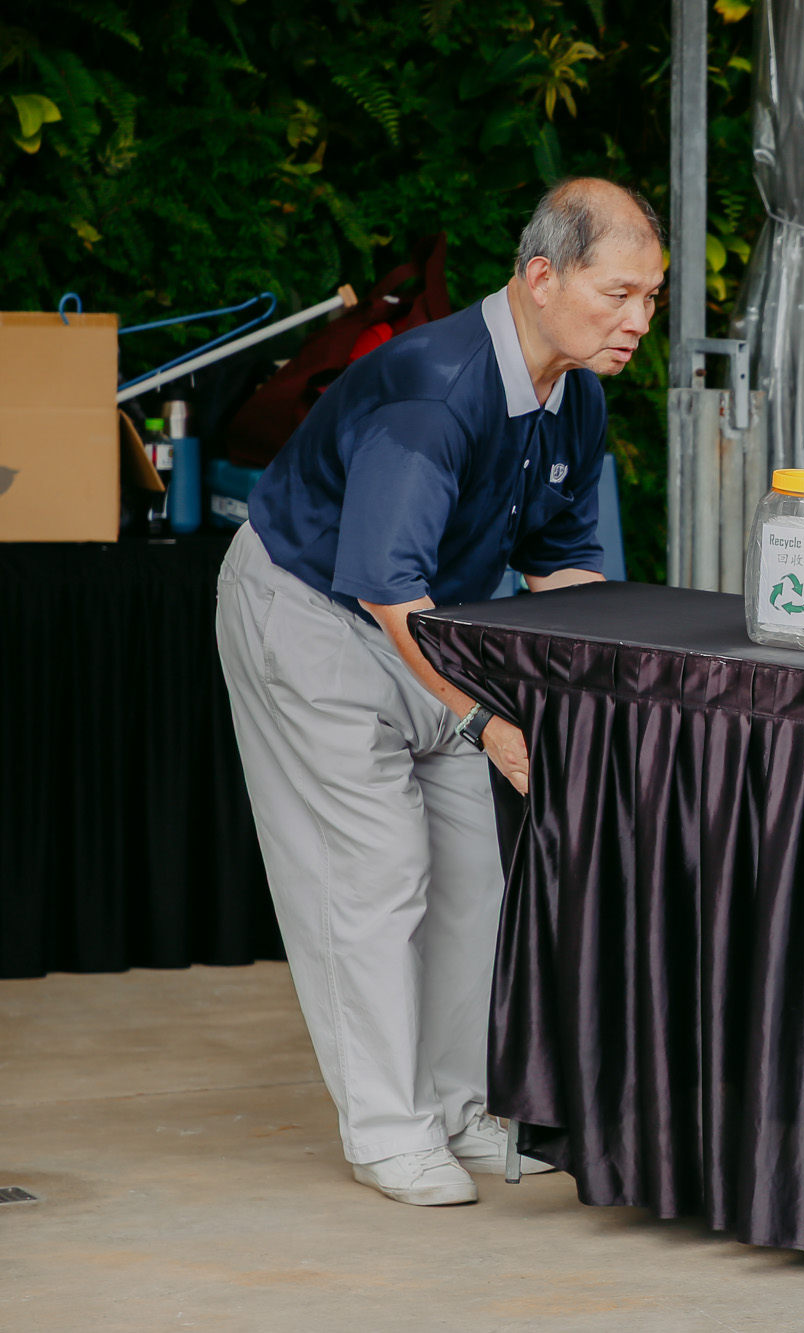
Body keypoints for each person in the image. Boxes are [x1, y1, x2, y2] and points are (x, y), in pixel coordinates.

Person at [215, 178, 662, 1206]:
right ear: (541, 278)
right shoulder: (433, 389)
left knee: (476, 874)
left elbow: (561, 566)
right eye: (618, 293)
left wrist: (584, 702)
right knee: (373, 872)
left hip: (434, 627)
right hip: (315, 611)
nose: (639, 320)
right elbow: (385, 587)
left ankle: (460, 1105)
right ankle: (386, 1128)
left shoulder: (578, 393)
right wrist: (483, 720)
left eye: (650, 297)